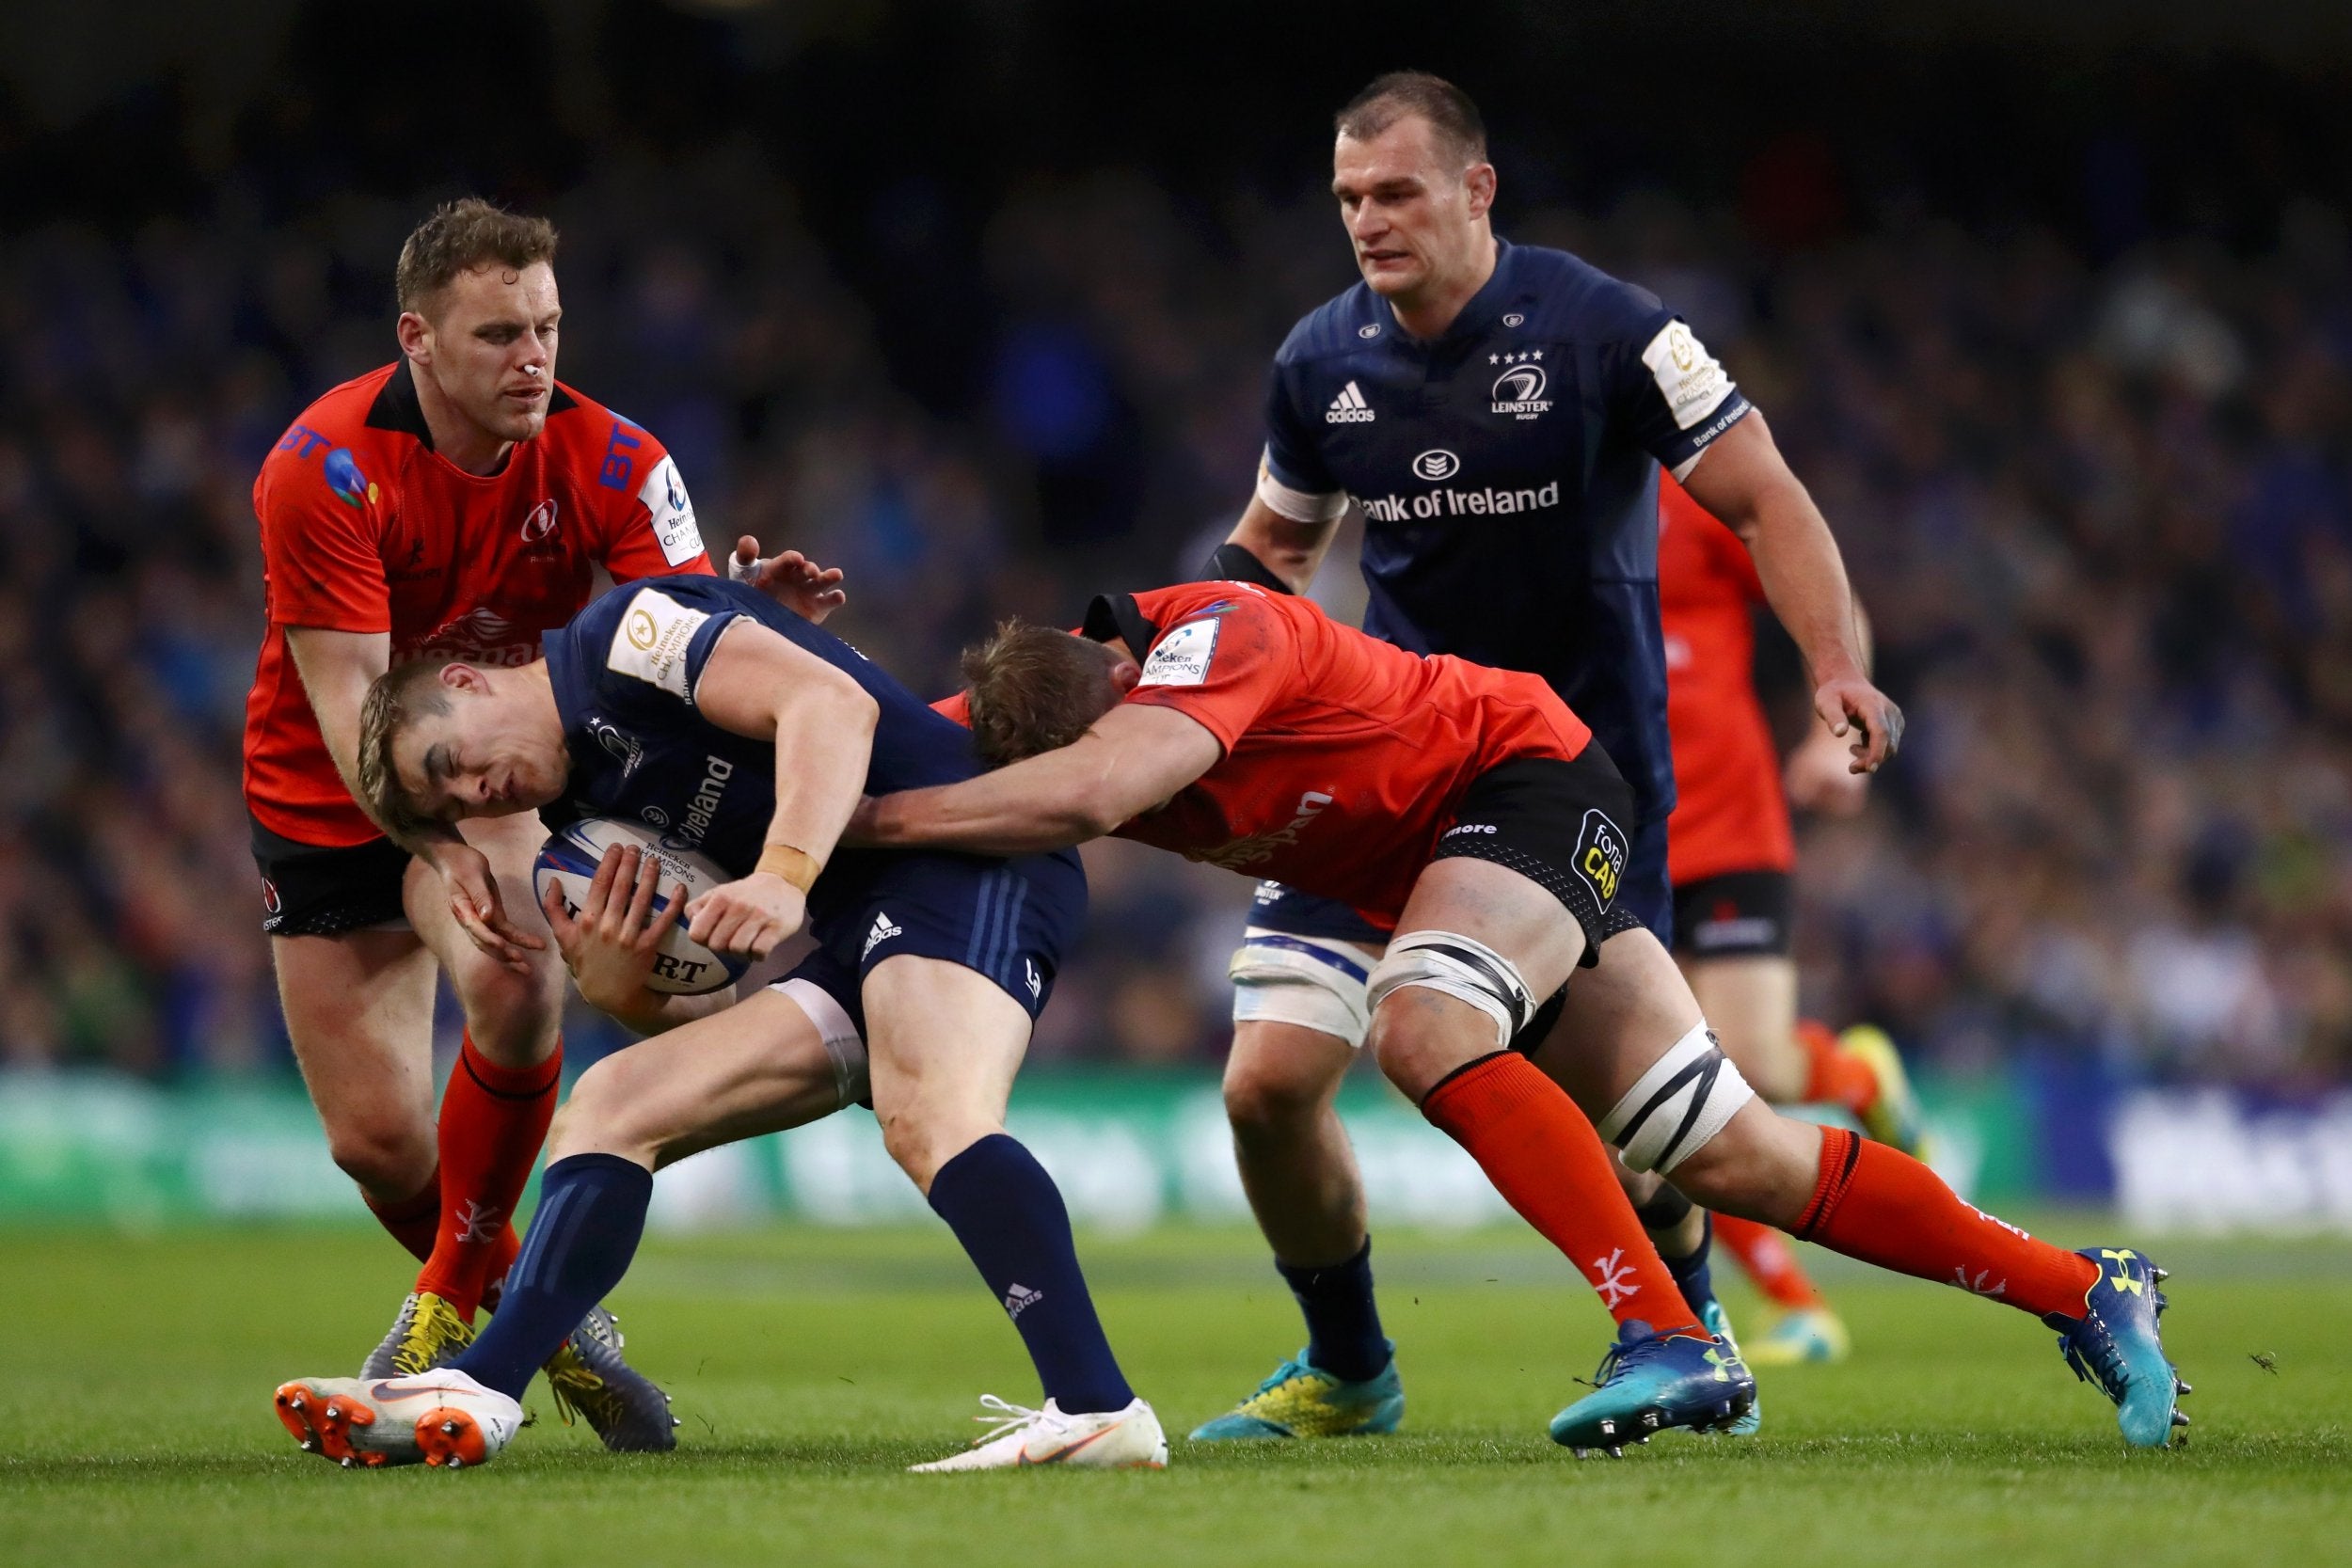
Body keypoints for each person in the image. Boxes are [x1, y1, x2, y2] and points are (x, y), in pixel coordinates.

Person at [853, 580, 2192, 1452]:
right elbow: (874, 731)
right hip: (1439, 865)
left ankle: (1665, 1329)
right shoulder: (1030, 722)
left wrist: (868, 824)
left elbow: (1096, 790)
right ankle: (2087, 1286)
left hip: (1528, 778)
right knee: (1730, 1148)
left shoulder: (1207, 641)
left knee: (1424, 1021)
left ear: (1119, 661)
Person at [1185, 69, 1901, 1442]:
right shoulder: (1318, 361)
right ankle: (1349, 1366)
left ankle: (1689, 1326)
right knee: (1266, 1083)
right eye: (1347, 199)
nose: (1368, 221)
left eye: (1395, 191)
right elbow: (1275, 550)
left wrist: (1834, 665)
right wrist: (1203, 680)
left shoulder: (1609, 331)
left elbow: (1766, 497)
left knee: (1648, 1130)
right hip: (1392, 769)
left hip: (1572, 778)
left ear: (1475, 186)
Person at [271, 573, 1164, 1473]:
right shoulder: (582, 826)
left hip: (973, 862)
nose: (474, 791)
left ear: (466, 682)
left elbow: (831, 702)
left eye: (447, 763)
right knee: (614, 1103)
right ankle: (486, 1386)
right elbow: (710, 1003)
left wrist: (782, 870)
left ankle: (1096, 1405)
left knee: (933, 1113)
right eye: (455, 807)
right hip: (866, 923)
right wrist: (626, 989)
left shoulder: (619, 640)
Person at [243, 196, 823, 1440]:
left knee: (512, 961)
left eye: (548, 326)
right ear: (419, 339)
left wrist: (739, 617)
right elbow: (351, 703)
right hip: (331, 789)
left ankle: (457, 1310)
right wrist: (432, 844)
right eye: (501, 333)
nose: (535, 357)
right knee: (379, 1146)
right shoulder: (321, 467)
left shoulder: (619, 463)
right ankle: (546, 1318)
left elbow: (684, 650)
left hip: (501, 775)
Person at [1656, 469, 1918, 1365]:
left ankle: (1853, 1075)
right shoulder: (1534, 500)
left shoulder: (1692, 495)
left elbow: (1825, 592)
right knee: (1659, 1098)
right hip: (1611, 831)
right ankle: (1797, 1304)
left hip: (1729, 824)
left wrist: (1829, 728)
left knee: (1748, 1065)